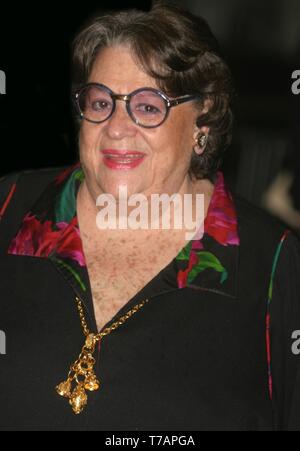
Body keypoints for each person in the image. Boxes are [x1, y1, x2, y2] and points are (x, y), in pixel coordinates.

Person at [0, 3, 299, 431]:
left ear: (205, 119)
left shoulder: (271, 264)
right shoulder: (10, 206)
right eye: (101, 101)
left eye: (147, 106)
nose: (117, 127)